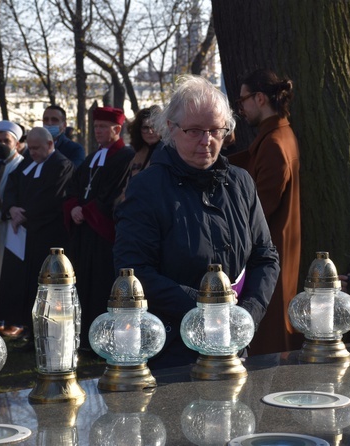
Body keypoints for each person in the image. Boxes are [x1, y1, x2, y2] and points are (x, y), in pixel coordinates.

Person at [114, 75, 280, 369]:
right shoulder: (147, 188)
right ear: (171, 129)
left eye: (216, 130)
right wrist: (206, 309)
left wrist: (246, 316)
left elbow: (265, 257)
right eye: (194, 131)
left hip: (233, 345)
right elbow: (133, 269)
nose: (206, 141)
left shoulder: (241, 182)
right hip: (173, 352)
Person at [229, 68, 301, 354]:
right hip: (279, 245)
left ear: (259, 98)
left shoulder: (273, 142)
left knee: (269, 335)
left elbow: (260, 209)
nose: (241, 109)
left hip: (269, 250)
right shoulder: (278, 135)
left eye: (243, 100)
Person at [64, 106, 134, 350]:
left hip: (102, 234)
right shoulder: (93, 156)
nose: (98, 131)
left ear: (117, 129)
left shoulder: (125, 156)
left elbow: (115, 194)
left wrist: (87, 210)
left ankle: (103, 340)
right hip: (84, 232)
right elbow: (75, 186)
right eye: (96, 127)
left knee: (101, 285)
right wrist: (73, 206)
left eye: (103, 127)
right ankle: (83, 338)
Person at [0, 127, 75, 339]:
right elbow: (11, 186)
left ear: (50, 144)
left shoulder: (62, 165)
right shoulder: (29, 163)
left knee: (44, 286)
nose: (33, 153)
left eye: (37, 148)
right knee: (26, 283)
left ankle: (43, 332)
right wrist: (11, 208)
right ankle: (27, 328)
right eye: (30, 148)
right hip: (24, 236)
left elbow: (52, 198)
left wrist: (24, 215)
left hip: (47, 234)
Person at [0, 120, 25, 332]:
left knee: (7, 273)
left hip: (11, 228)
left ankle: (11, 319)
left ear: (16, 143)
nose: (1, 144)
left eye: (6, 141)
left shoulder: (21, 165)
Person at [128, 106, 164, 177]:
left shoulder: (168, 152)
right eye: (145, 128)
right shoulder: (136, 152)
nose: (150, 132)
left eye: (154, 126)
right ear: (139, 129)